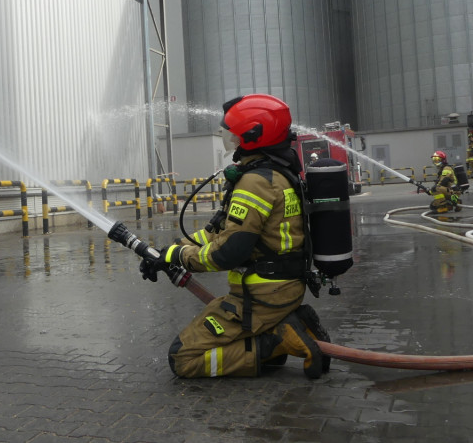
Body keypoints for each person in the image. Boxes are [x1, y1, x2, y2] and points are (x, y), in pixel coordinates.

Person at [140, 94, 331, 378]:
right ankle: (286, 327)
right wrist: (169, 251)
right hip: (280, 290)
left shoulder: (255, 183)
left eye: (236, 135)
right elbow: (216, 233)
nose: (232, 141)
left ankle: (279, 339)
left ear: (254, 135)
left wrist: (180, 256)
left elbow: (226, 253)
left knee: (184, 357)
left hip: (261, 298)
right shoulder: (276, 173)